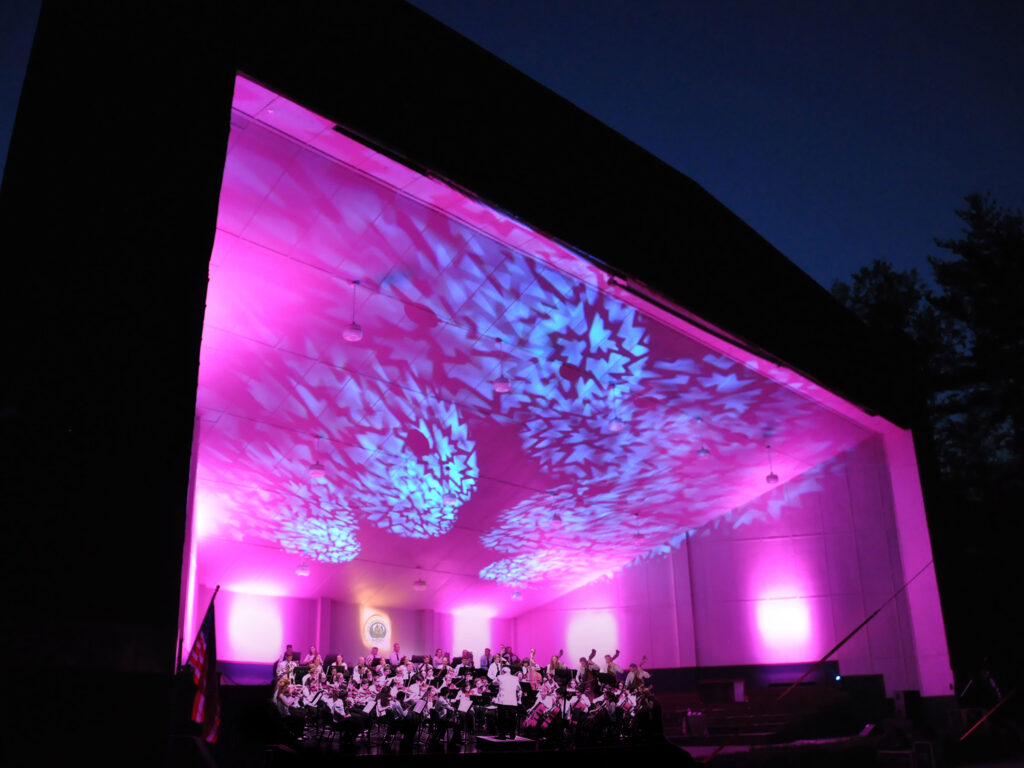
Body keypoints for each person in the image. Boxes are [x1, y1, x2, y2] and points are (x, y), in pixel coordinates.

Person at [495, 665, 521, 740]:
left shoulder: (500, 677)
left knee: (502, 718)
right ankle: (512, 735)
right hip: (512, 701)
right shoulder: (515, 678)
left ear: (503, 672)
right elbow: (518, 688)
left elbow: (494, 682)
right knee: (512, 719)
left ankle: (502, 735)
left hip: (503, 701)